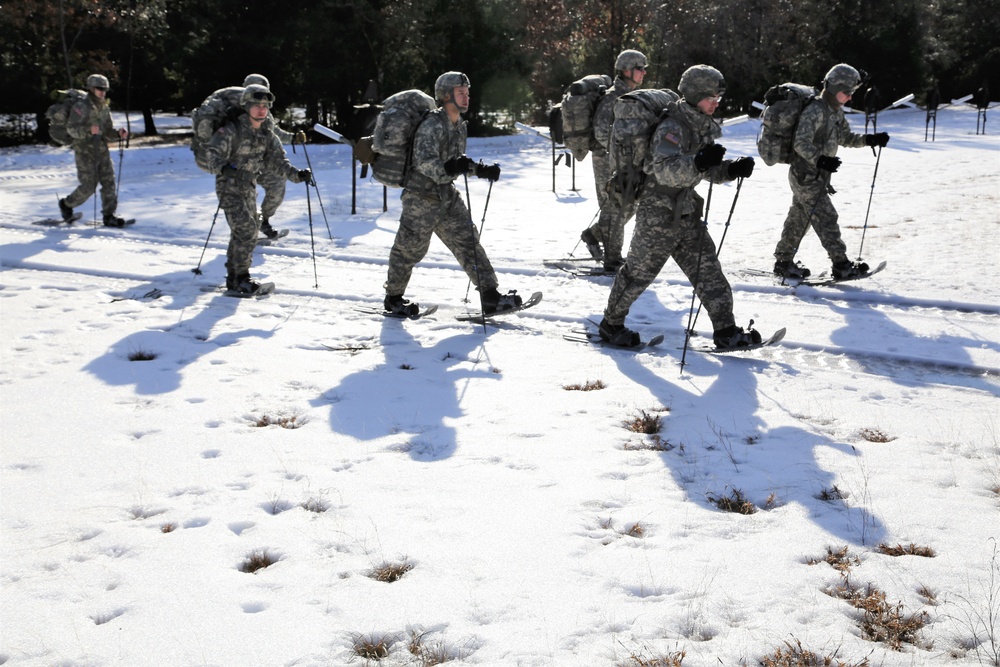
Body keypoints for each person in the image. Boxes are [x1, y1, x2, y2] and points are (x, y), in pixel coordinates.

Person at [598, 65, 761, 349]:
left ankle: (726, 330)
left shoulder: (699, 124)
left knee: (709, 273)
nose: (716, 103)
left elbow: (705, 170)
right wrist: (699, 161)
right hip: (657, 216)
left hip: (686, 213)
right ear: (696, 94)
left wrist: (730, 169)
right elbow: (663, 170)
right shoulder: (672, 126)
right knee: (637, 275)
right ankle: (611, 325)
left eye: (718, 98)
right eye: (711, 97)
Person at [383, 71, 520, 316]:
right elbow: (424, 162)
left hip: (446, 195)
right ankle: (393, 298)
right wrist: (449, 167)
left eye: (467, 93)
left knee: (469, 242)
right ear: (446, 96)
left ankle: (490, 296)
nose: (466, 98)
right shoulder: (432, 124)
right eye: (461, 93)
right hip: (421, 198)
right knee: (409, 249)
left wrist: (480, 169)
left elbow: (456, 161)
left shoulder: (459, 125)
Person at [772, 63, 890, 280]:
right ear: (835, 89)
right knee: (826, 217)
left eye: (852, 93)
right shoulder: (816, 110)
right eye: (847, 93)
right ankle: (841, 265)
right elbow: (800, 142)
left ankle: (783, 262)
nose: (851, 98)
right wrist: (821, 160)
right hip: (805, 175)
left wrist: (870, 140)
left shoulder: (834, 111)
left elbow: (845, 137)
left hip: (816, 175)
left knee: (799, 218)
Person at [203, 85, 312, 295]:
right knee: (246, 230)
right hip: (229, 188)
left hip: (249, 188)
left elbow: (278, 161)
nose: (262, 110)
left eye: (265, 106)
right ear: (247, 106)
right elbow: (212, 155)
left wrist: (297, 175)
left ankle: (234, 277)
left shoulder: (267, 135)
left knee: (243, 231)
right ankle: (241, 278)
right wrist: (224, 168)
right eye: (257, 105)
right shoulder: (231, 130)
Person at [192, 73, 306, 240]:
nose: (262, 107)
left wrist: (293, 140)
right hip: (232, 165)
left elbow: (272, 133)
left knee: (275, 183)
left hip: (254, 161)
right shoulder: (241, 108)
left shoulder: (258, 106)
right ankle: (244, 234)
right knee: (240, 200)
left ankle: (261, 222)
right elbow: (275, 132)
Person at [580, 49, 647, 271]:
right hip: (605, 159)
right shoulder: (612, 97)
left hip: (622, 161)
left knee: (629, 205)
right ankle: (613, 259)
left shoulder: (632, 96)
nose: (643, 73)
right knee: (614, 207)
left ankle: (593, 234)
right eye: (640, 68)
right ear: (627, 70)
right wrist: (619, 152)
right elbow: (601, 132)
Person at [58, 74, 130, 226]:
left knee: (109, 183)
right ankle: (66, 204)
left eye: (105, 89)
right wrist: (89, 130)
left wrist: (117, 134)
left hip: (102, 150)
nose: (103, 92)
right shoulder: (81, 106)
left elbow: (107, 131)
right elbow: (71, 130)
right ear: (91, 89)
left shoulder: (104, 107)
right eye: (99, 89)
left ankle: (109, 216)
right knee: (89, 186)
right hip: (85, 152)